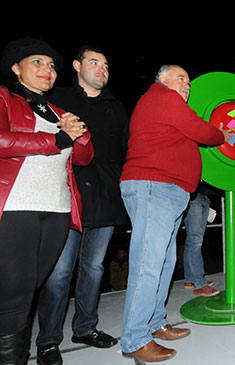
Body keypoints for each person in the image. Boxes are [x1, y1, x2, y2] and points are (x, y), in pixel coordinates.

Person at [119, 64, 233, 363]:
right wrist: (221, 133)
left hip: (166, 189)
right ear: (162, 79)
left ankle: (155, 322)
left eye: (189, 82)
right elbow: (202, 131)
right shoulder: (163, 97)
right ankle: (134, 337)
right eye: (181, 78)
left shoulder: (163, 104)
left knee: (164, 260)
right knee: (148, 262)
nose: (187, 85)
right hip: (153, 185)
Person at [0, 37, 93, 364]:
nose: (47, 69)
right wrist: (56, 138)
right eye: (37, 62)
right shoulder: (4, 98)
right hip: (16, 208)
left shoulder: (58, 111)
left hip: (57, 209)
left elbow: (83, 157)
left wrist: (79, 132)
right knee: (14, 294)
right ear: (16, 68)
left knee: (31, 289)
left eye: (51, 65)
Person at [35, 45, 129, 365]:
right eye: (94, 62)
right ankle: (48, 340)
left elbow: (128, 151)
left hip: (105, 199)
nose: (102, 68)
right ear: (76, 65)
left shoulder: (116, 108)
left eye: (105, 64)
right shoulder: (57, 99)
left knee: (93, 268)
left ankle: (85, 328)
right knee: (60, 273)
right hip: (66, 198)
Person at [182, 182, 220, 297]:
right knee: (195, 241)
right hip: (193, 196)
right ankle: (199, 283)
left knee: (193, 241)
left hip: (204, 197)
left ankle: (190, 279)